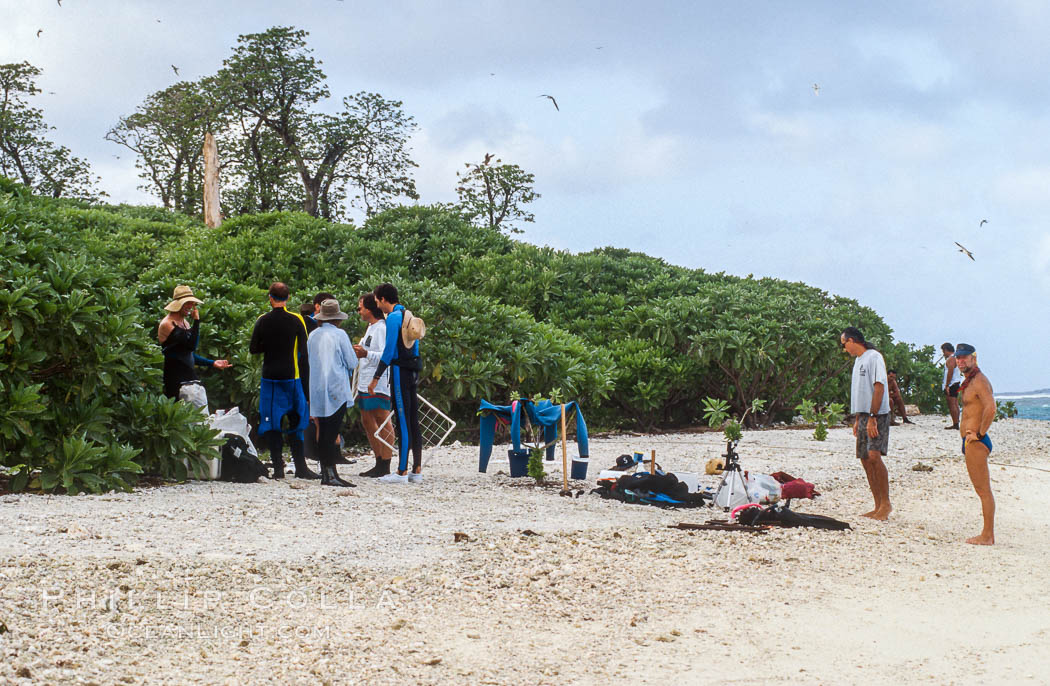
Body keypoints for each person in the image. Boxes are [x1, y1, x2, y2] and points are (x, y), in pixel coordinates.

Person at [249, 282, 318, 480]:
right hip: (292, 377)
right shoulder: (297, 320)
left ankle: (278, 468)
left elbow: (253, 348)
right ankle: (301, 467)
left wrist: (269, 345)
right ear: (287, 299)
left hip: (270, 378)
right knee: (297, 421)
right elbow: (304, 355)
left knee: (272, 423)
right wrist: (306, 389)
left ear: (270, 298)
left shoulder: (262, 320)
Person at [368, 283, 423, 484]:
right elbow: (415, 347)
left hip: (400, 373)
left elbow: (389, 352)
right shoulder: (408, 315)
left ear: (383, 299)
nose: (377, 305)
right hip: (413, 371)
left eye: (376, 301)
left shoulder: (393, 318)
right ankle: (416, 470)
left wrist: (375, 378)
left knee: (402, 420)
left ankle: (401, 472)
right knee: (413, 419)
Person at [841, 326, 892, 520]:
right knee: (864, 458)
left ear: (852, 341)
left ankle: (886, 504)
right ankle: (877, 504)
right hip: (862, 415)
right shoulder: (858, 361)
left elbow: (879, 387)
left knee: (874, 456)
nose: (844, 348)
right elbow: (860, 392)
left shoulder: (874, 357)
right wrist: (857, 419)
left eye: (844, 344)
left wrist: (872, 416)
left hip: (876, 414)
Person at [306, 299, 358, 487]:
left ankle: (326, 472)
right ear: (337, 318)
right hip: (336, 386)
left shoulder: (313, 335)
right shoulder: (340, 335)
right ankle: (331, 474)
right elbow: (352, 362)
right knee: (332, 430)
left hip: (317, 387)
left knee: (323, 430)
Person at [157, 285, 230, 401]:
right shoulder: (167, 324)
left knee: (198, 414)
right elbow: (191, 346)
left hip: (188, 377)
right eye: (187, 303)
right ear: (178, 304)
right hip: (175, 378)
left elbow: (187, 354)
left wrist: (212, 363)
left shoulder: (185, 323)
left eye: (192, 303)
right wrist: (196, 321)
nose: (191, 306)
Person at [954, 343, 996, 545]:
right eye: (958, 358)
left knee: (983, 490)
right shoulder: (969, 381)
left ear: (974, 358)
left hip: (976, 441)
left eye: (965, 357)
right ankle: (987, 534)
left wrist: (979, 434)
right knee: (980, 489)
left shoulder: (979, 381)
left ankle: (987, 535)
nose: (961, 361)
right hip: (969, 441)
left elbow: (991, 408)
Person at [352, 293, 395, 477]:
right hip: (365, 382)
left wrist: (366, 354)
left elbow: (387, 356)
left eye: (360, 307)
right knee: (367, 419)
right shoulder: (371, 327)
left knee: (382, 419)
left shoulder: (382, 328)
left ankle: (386, 463)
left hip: (377, 382)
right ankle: (378, 461)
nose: (358, 311)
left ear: (369, 309)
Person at [941, 342, 963, 430]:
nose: (943, 353)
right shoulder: (956, 358)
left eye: (943, 351)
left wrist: (947, 385)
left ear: (946, 350)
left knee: (952, 404)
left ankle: (955, 423)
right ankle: (956, 422)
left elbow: (950, 372)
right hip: (956, 382)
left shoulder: (951, 359)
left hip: (952, 384)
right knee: (955, 403)